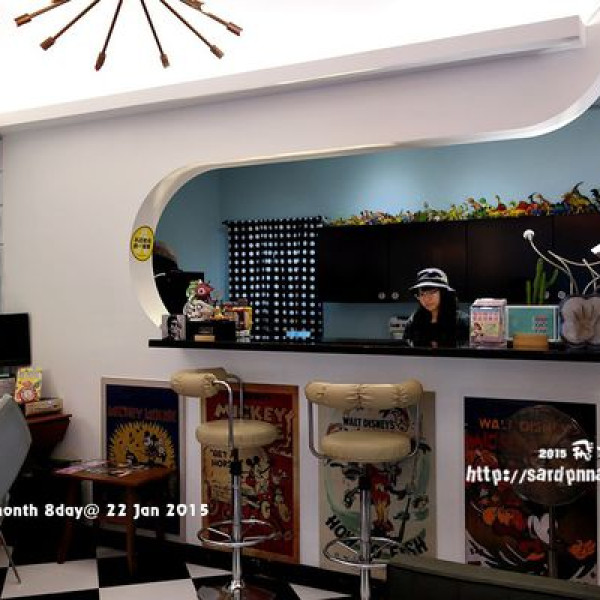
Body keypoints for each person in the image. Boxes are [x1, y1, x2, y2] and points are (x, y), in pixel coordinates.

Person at [402, 267, 469, 348]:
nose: (427, 299)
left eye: (432, 292)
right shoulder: (414, 320)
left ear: (444, 293)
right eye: (422, 294)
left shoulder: (462, 321)